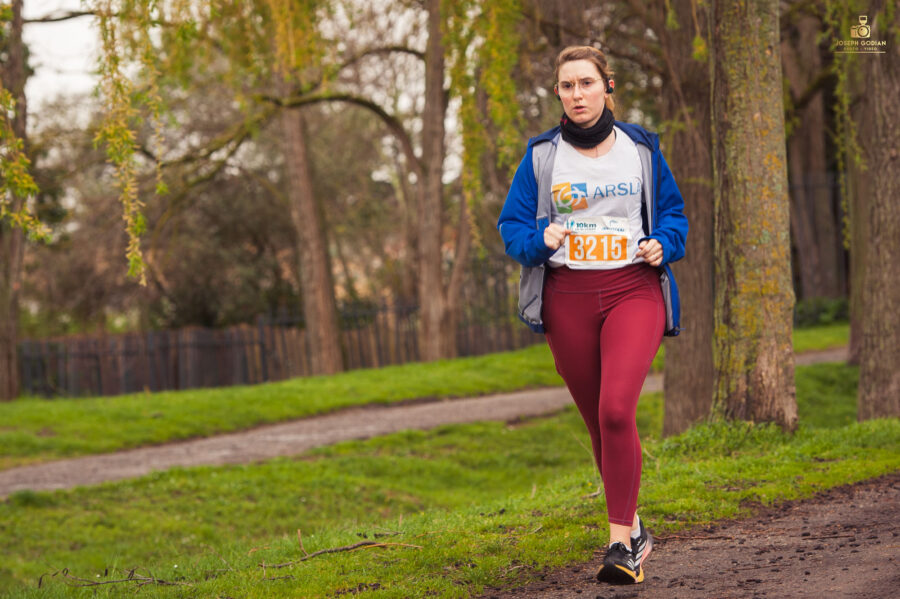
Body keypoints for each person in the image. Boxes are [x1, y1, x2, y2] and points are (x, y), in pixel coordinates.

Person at [497, 45, 688, 585]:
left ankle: (619, 545)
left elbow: (673, 215)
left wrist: (663, 244)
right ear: (557, 94)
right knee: (598, 424)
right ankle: (635, 527)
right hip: (568, 299)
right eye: (566, 86)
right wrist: (539, 238)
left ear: (608, 87)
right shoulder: (542, 157)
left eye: (586, 83)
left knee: (615, 408)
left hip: (633, 289)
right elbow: (511, 228)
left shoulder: (642, 149)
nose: (576, 94)